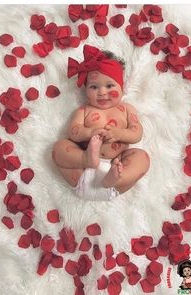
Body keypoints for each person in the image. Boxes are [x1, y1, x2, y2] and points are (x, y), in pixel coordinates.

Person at [52, 44, 150, 201]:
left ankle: (118, 177)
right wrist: (89, 133)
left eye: (110, 85)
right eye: (94, 87)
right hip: (82, 172)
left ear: (121, 87)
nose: (102, 92)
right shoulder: (84, 110)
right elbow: (73, 132)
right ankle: (86, 158)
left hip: (114, 174)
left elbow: (137, 133)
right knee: (59, 147)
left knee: (142, 158)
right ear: (85, 90)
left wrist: (120, 134)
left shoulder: (126, 109)